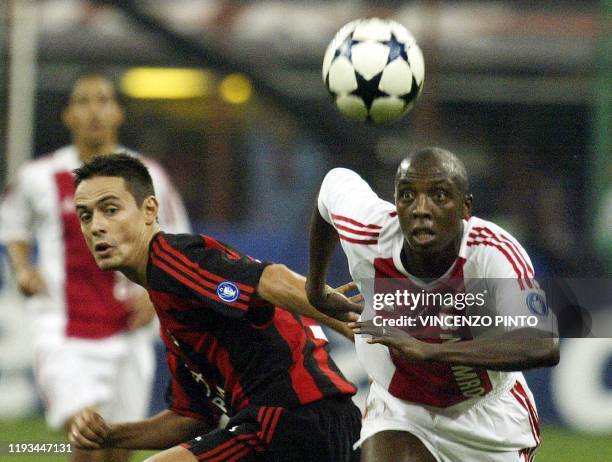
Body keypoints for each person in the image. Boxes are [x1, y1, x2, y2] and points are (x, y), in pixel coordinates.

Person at [68, 153, 363, 462]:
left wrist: (346, 320)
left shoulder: (171, 257)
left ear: (149, 210)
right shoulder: (169, 307)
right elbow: (192, 417)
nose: (96, 226)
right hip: (315, 423)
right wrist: (109, 434)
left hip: (293, 417)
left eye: (110, 210)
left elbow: (271, 279)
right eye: (85, 216)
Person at [306, 147, 560, 462]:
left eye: (439, 195)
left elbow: (543, 344)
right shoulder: (371, 233)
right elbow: (332, 185)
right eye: (407, 195)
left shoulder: (492, 254)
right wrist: (315, 289)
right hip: (400, 408)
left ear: (466, 208)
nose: (421, 209)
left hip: (485, 421)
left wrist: (431, 350)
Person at [0, 72, 190, 462]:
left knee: (117, 450)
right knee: (88, 436)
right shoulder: (39, 177)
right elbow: (12, 223)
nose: (94, 111)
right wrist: (22, 267)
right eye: (83, 101)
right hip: (62, 330)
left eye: (103, 100)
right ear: (68, 115)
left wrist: (155, 300)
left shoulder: (145, 175)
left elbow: (176, 241)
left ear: (118, 112)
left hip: (128, 332)